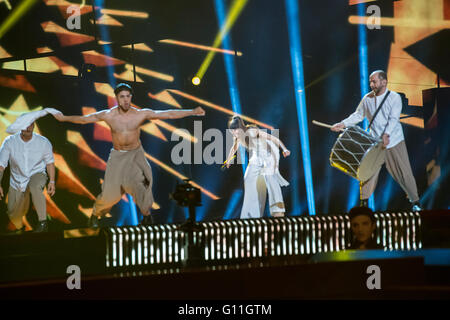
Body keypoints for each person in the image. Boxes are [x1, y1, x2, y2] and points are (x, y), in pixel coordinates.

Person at [53, 83, 205, 227]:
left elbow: (169, 114)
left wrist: (192, 111)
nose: (125, 100)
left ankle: (146, 215)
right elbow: (83, 120)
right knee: (109, 195)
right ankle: (95, 214)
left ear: (131, 97)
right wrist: (63, 118)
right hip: (118, 157)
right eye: (122, 97)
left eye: (128, 96)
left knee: (143, 187)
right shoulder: (108, 115)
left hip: (136, 155)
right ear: (117, 98)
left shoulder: (140, 114)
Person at [331, 70, 422, 211]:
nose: (371, 84)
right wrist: (342, 124)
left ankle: (415, 201)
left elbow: (393, 119)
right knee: (368, 172)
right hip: (375, 143)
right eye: (370, 81)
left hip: (394, 141)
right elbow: (358, 115)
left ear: (384, 82)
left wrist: (387, 134)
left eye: (374, 81)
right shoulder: (367, 99)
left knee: (403, 172)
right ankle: (364, 203)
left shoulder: (394, 98)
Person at [224, 116, 290, 218]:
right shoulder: (238, 137)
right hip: (256, 157)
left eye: (235, 129)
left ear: (240, 127)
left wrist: (284, 149)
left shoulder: (252, 131)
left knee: (270, 179)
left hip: (268, 156)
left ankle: (277, 210)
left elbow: (272, 138)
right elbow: (234, 148)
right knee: (248, 179)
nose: (234, 132)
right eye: (232, 130)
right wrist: (228, 160)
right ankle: (250, 214)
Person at [0, 122, 56, 233]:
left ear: (33, 125)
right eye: (24, 124)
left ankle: (43, 222)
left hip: (37, 174)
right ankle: (20, 227)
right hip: (17, 180)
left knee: (35, 185)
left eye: (30, 124)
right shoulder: (10, 142)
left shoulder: (43, 142)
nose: (27, 127)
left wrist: (52, 181)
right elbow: (1, 166)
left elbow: (50, 163)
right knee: (13, 212)